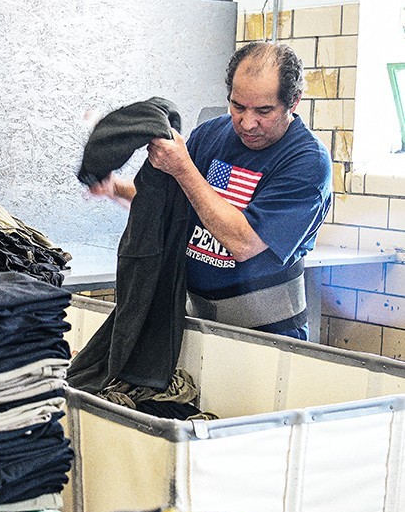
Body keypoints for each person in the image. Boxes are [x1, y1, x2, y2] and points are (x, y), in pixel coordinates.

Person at [89, 41, 332, 340]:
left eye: (264, 111)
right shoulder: (211, 134)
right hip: (198, 323)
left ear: (293, 102)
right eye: (238, 106)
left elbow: (243, 242)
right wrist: (114, 188)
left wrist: (183, 168)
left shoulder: (307, 163)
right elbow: (170, 205)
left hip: (270, 338)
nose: (248, 123)